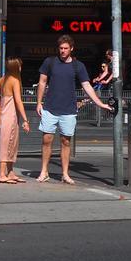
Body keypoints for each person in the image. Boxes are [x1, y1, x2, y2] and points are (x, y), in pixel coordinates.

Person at [36, 35, 112, 185]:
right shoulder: (49, 62)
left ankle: (65, 173)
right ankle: (44, 171)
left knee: (66, 141)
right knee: (47, 140)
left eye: (65, 48)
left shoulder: (78, 66)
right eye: (61, 48)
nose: (63, 51)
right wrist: (39, 102)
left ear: (71, 49)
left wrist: (100, 103)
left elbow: (87, 86)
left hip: (69, 109)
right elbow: (42, 82)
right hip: (50, 107)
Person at [0, 58, 31, 183]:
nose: (21, 68)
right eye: (20, 66)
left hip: (4, 114)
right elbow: (18, 101)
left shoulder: (3, 78)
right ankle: (1, 174)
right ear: (16, 68)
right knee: (8, 143)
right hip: (11, 115)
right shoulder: (15, 81)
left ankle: (10, 172)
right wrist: (26, 119)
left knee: (11, 142)